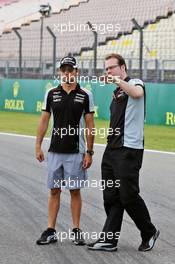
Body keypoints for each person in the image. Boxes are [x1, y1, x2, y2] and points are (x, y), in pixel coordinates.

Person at [88, 53, 159, 252]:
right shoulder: (117, 92)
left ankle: (149, 231)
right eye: (107, 69)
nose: (108, 71)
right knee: (111, 196)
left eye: (112, 67)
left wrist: (117, 81)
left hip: (129, 149)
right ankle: (109, 239)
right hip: (112, 149)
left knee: (128, 195)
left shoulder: (134, 82)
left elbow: (137, 94)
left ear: (123, 68)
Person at [35, 56, 95, 246]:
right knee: (54, 190)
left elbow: (90, 124)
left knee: (75, 191)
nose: (67, 73)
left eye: (71, 70)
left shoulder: (85, 95)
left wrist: (89, 152)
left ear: (77, 72)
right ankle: (51, 230)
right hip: (55, 151)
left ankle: (76, 230)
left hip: (76, 152)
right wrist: (38, 145)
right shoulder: (51, 93)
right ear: (60, 72)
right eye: (64, 70)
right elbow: (44, 120)